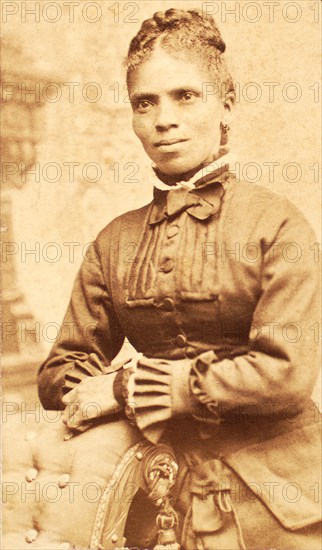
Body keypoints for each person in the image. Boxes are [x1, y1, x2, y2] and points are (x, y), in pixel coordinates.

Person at [38, 8, 321, 549]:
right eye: (146, 102)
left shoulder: (278, 224)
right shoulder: (113, 242)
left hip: (283, 504)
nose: (163, 118)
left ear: (226, 107)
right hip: (158, 498)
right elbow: (59, 374)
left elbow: (285, 374)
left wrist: (126, 387)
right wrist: (103, 394)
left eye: (185, 96)